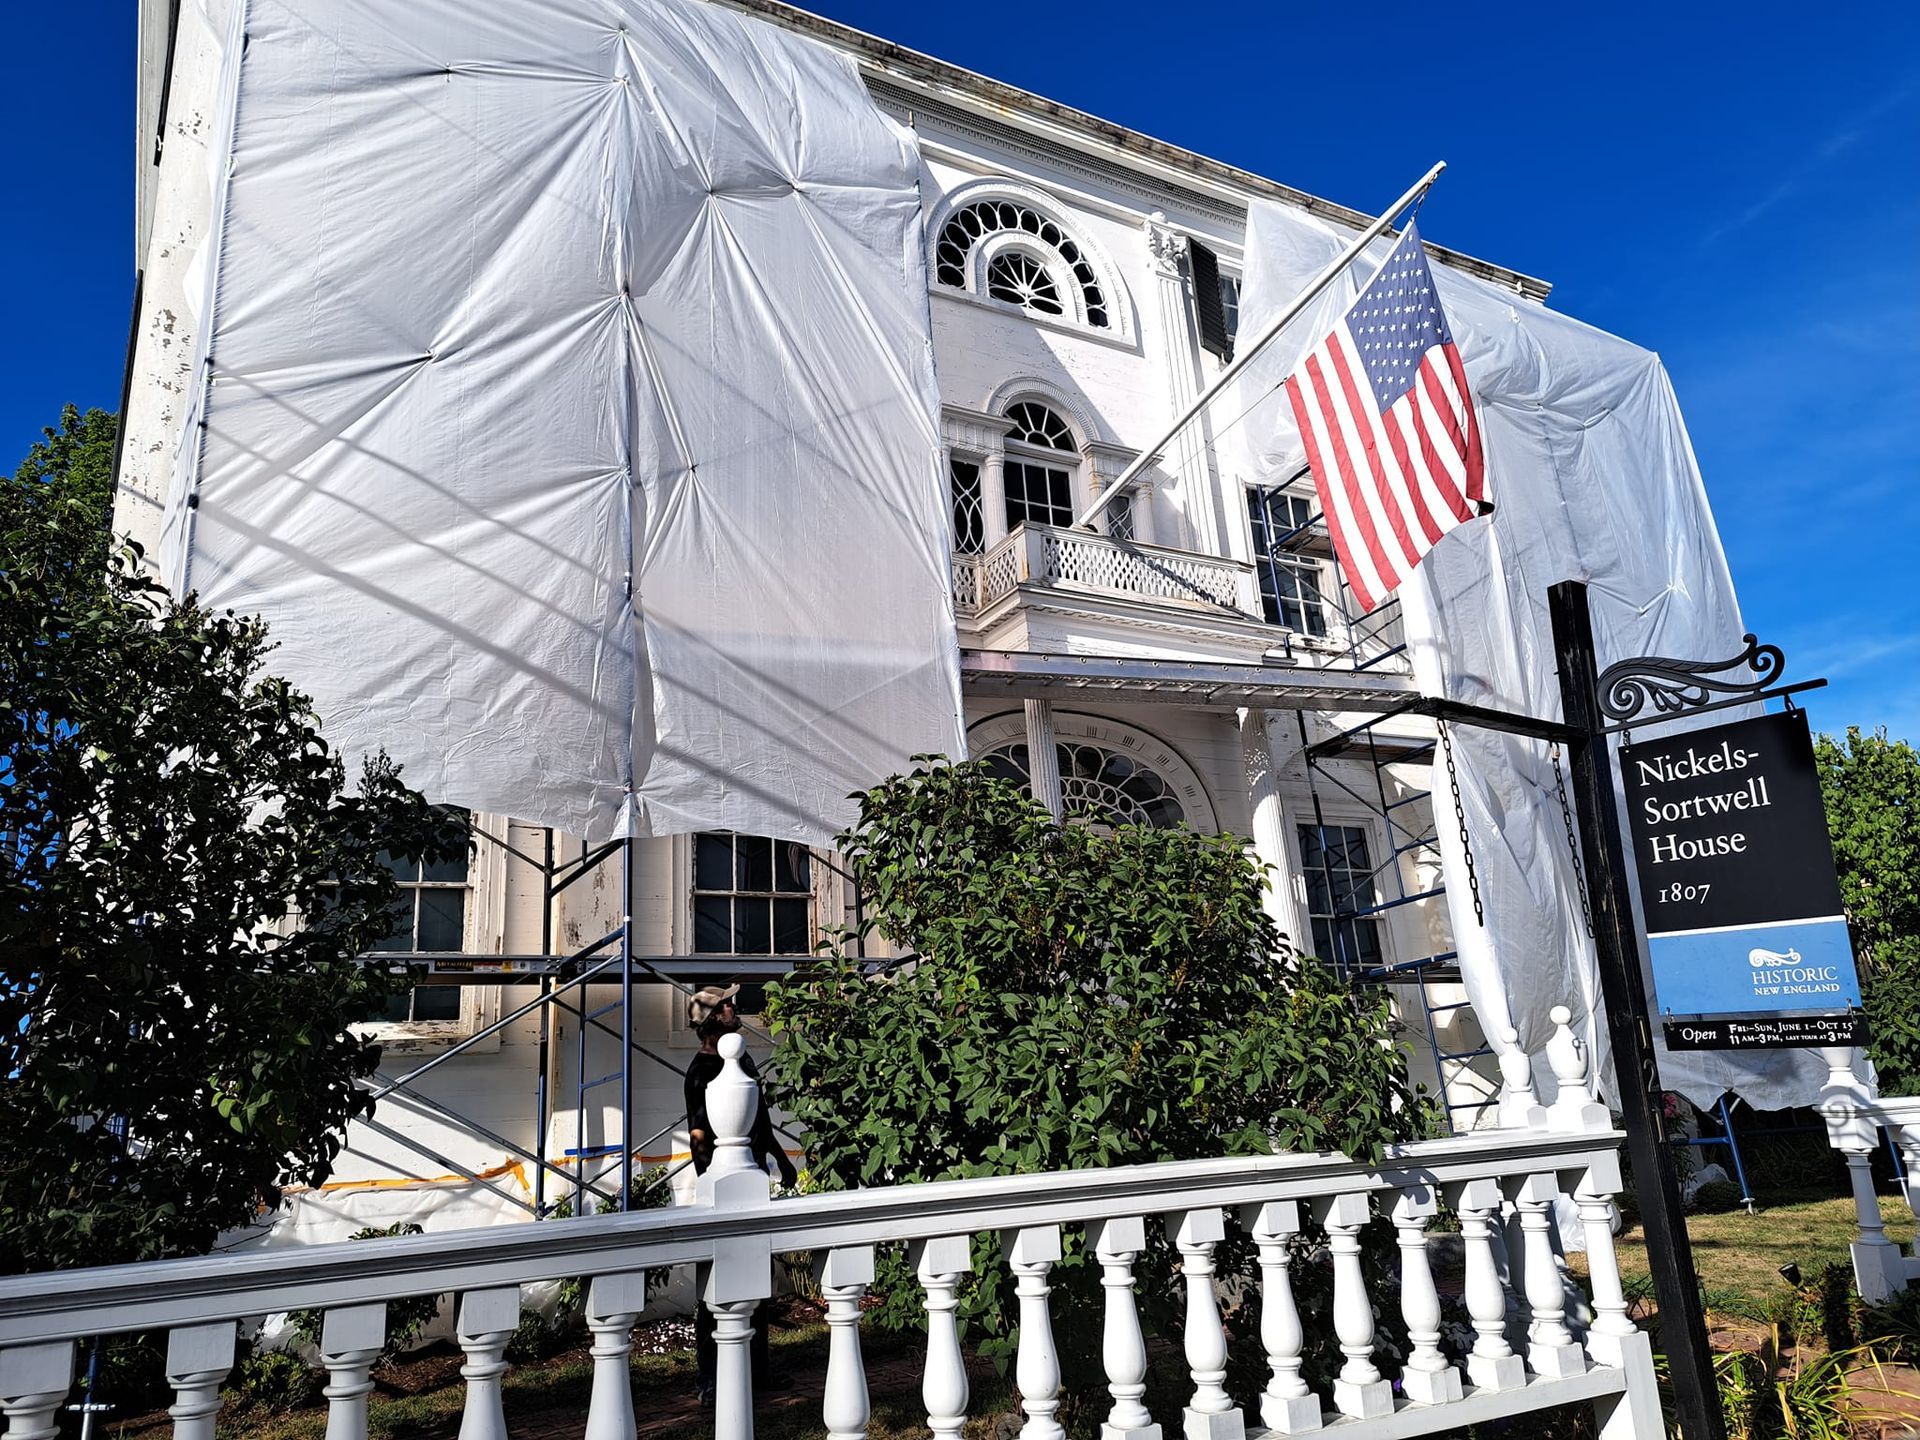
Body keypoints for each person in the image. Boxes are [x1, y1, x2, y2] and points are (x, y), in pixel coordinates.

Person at [684, 983, 797, 1403]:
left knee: (756, 1276)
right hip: (724, 1183)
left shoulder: (743, 1058)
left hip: (753, 1176)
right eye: (727, 1005)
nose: (735, 1008)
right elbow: (698, 1135)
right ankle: (709, 1379)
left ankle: (759, 1371)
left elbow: (761, 1122)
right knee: (717, 1286)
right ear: (712, 1018)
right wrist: (710, 1178)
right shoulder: (700, 1073)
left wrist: (781, 1161)